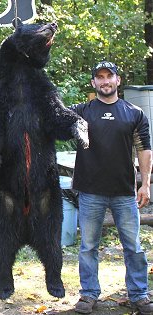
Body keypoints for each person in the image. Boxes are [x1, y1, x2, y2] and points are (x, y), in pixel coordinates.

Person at [71, 61, 153, 315]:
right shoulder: (81, 111)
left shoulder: (134, 113)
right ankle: (88, 294)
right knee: (88, 247)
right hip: (90, 191)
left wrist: (145, 184)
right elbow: (51, 117)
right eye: (100, 77)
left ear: (118, 80)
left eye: (110, 76)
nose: (105, 81)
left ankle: (139, 294)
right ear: (93, 83)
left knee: (133, 247)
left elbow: (144, 149)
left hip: (124, 192)